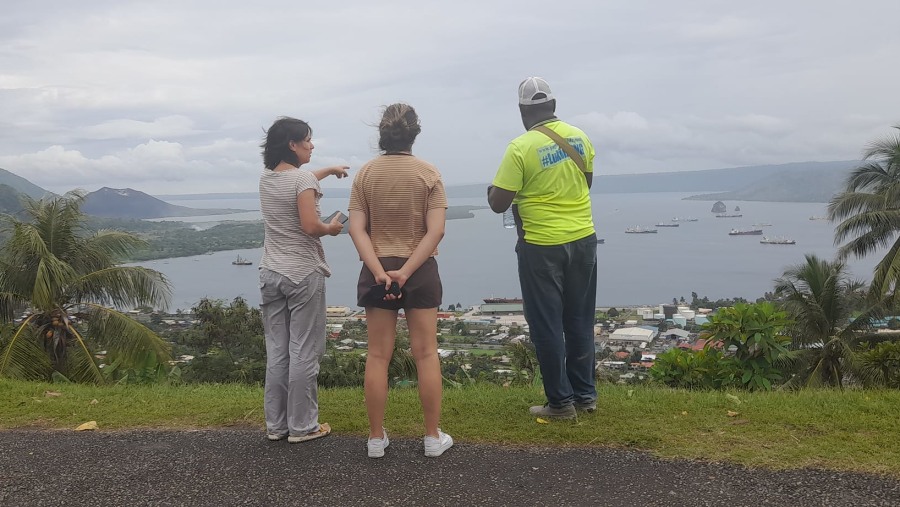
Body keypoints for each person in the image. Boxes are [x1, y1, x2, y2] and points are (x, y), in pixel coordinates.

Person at [488, 77, 598, 419]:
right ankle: (585, 396)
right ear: (553, 105)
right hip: (583, 239)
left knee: (547, 324)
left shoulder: (520, 148)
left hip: (542, 246)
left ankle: (561, 405)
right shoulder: (580, 137)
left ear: (523, 110)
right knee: (579, 319)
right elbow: (586, 183)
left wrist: (492, 189)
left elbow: (498, 203)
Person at [348, 103, 453, 458]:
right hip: (419, 268)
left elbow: (357, 229)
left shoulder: (365, 174)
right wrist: (406, 271)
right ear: (415, 132)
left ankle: (376, 439)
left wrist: (379, 270)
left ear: (382, 133)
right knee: (425, 353)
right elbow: (435, 230)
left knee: (378, 355)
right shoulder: (429, 173)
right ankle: (431, 437)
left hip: (377, 265)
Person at [258, 116, 348, 443]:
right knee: (304, 350)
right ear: (292, 145)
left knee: (278, 350)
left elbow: (300, 180)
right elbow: (311, 226)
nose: (312, 145)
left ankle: (276, 426)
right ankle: (303, 426)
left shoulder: (267, 178)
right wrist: (332, 228)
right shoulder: (302, 182)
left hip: (271, 272)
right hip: (301, 273)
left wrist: (329, 170)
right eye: (307, 140)